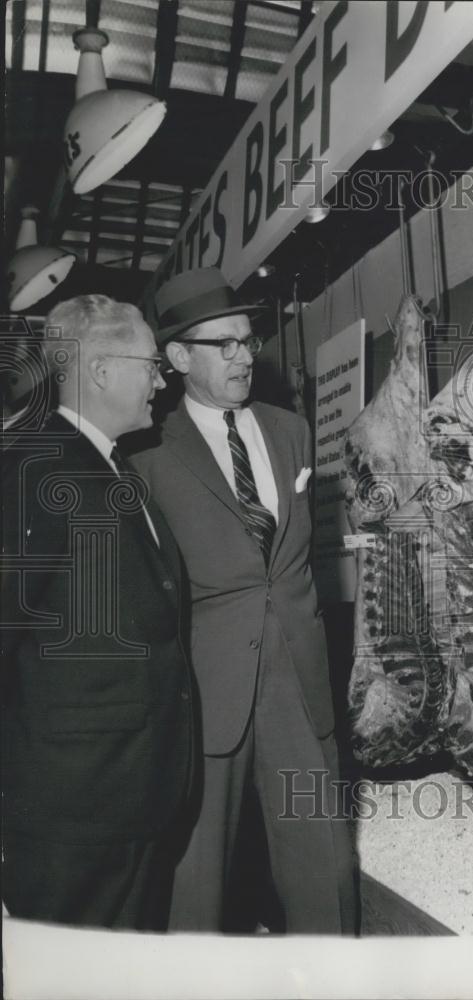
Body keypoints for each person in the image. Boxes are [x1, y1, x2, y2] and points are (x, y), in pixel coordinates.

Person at [132, 267, 357, 934]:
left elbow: (296, 559)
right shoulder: (143, 453)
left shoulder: (290, 430)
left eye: (246, 340)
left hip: (299, 681)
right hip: (205, 693)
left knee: (326, 871)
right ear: (176, 358)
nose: (242, 356)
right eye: (222, 344)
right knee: (193, 884)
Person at [1, 295, 195, 930]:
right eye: (151, 365)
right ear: (104, 371)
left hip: (131, 801)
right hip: (70, 813)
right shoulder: (30, 468)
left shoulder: (113, 468)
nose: (162, 381)